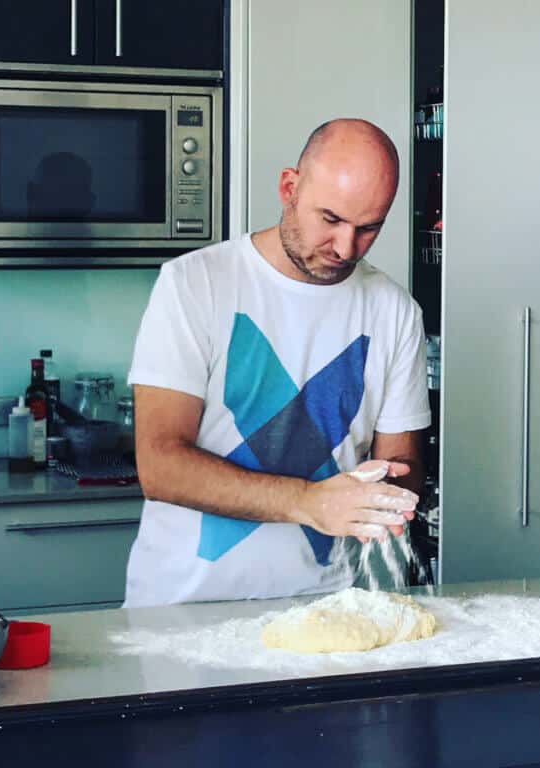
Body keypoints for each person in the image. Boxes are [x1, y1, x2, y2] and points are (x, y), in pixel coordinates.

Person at [123, 118, 430, 607]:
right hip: (182, 609)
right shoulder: (195, 284)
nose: (346, 248)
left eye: (368, 228)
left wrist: (385, 487)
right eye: (330, 219)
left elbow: (404, 465)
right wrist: (309, 501)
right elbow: (160, 464)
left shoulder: (393, 310)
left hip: (328, 606)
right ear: (290, 187)